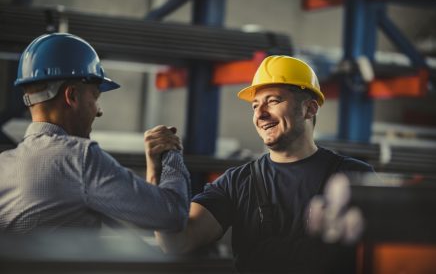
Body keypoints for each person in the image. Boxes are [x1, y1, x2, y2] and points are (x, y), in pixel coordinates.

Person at [155, 55, 374, 272]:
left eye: (273, 101)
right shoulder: (236, 182)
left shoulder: (355, 177)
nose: (260, 114)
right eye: (255, 105)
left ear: (310, 109)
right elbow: (176, 242)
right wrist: (158, 172)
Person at [0, 33, 190, 234]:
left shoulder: (4, 165)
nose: (99, 111)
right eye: (95, 97)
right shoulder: (79, 158)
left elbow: (141, 219)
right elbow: (173, 214)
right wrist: (171, 153)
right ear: (72, 96)